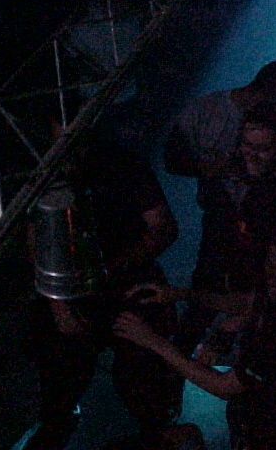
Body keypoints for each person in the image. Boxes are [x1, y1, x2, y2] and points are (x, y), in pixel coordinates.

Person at [16, 119, 194, 450]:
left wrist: (114, 268)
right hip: (73, 293)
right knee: (59, 383)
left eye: (76, 140)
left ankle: (158, 432)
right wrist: (60, 308)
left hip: (126, 286)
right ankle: (56, 426)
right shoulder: (45, 173)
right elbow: (36, 241)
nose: (70, 150)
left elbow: (163, 227)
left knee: (144, 380)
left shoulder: (123, 164)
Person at [114, 212, 276, 450]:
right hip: (251, 428)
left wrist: (152, 341)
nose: (271, 278)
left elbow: (224, 386)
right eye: (269, 264)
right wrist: (180, 294)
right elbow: (250, 302)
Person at [165, 60, 276, 353]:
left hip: (270, 220)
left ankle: (226, 355)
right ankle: (189, 356)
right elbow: (172, 159)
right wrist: (212, 169)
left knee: (257, 295)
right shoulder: (206, 110)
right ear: (271, 92)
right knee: (211, 290)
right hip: (223, 220)